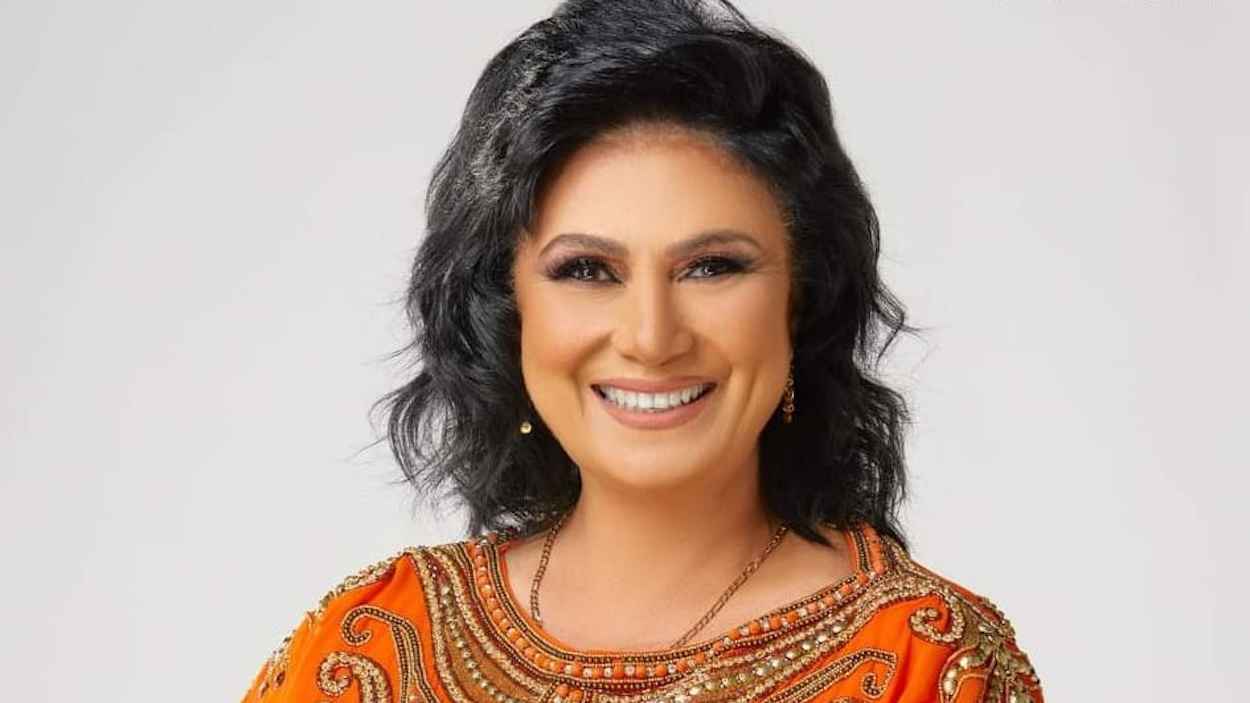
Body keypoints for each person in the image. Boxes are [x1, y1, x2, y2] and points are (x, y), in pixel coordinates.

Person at [240, 1, 1043, 701]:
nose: (652, 337)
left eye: (712, 266)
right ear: (508, 311)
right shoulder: (371, 647)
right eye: (588, 270)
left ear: (801, 299)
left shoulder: (930, 663)